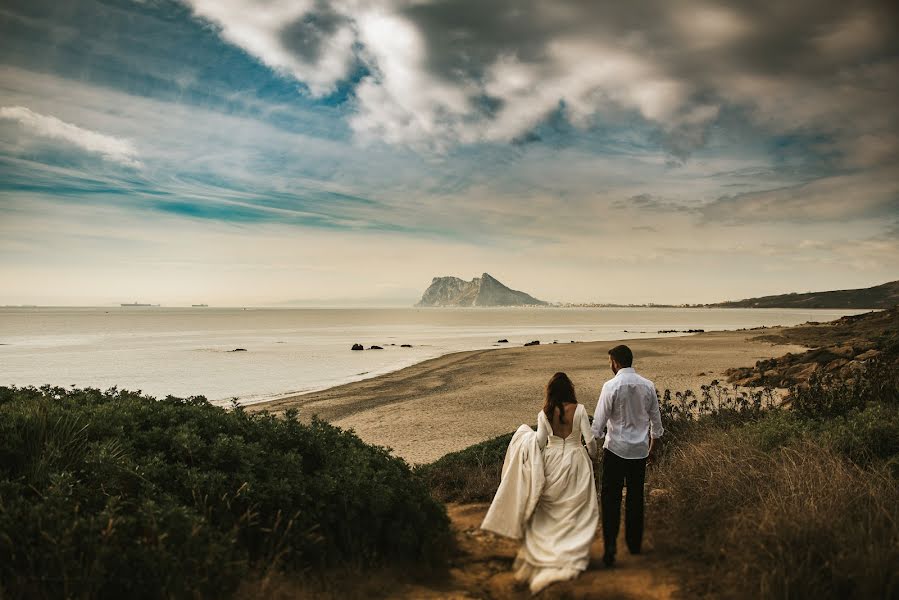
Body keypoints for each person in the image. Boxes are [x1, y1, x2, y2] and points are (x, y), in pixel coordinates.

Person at [481, 372, 599, 595]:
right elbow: (590, 441)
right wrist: (592, 456)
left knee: (551, 508)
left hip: (552, 460)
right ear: (570, 389)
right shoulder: (581, 410)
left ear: (551, 391)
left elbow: (540, 442)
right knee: (574, 508)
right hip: (576, 459)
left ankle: (550, 552)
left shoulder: (544, 413)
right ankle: (570, 551)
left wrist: (524, 436)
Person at [592, 344, 664, 567]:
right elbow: (657, 425)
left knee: (610, 499)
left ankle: (610, 547)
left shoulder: (611, 386)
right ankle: (634, 544)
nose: (610, 366)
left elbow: (598, 425)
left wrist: (592, 449)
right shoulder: (648, 386)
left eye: (610, 362)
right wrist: (651, 449)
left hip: (615, 450)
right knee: (635, 498)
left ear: (616, 362)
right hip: (639, 452)